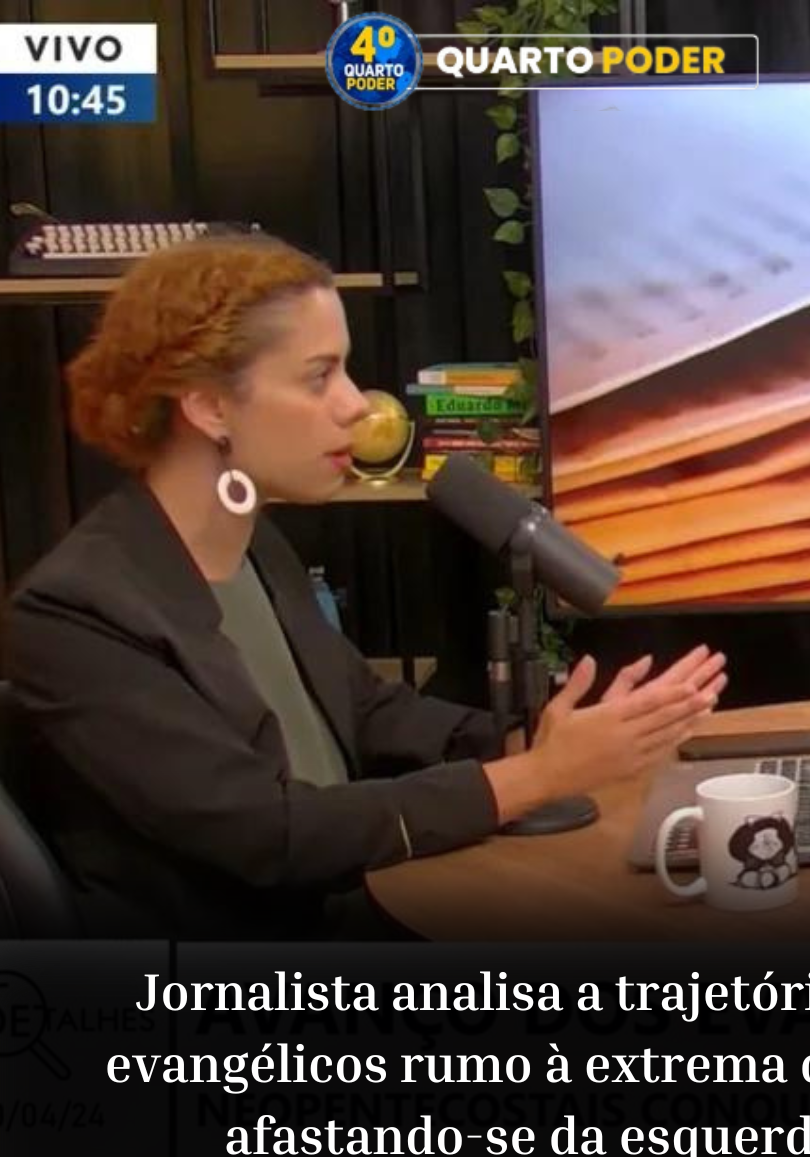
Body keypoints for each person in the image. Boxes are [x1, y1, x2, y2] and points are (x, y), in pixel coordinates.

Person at [3, 233, 727, 940]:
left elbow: (370, 712)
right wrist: (536, 777)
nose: (357, 405)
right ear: (210, 406)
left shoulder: (256, 548)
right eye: (319, 377)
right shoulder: (76, 612)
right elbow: (268, 834)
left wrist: (546, 737)